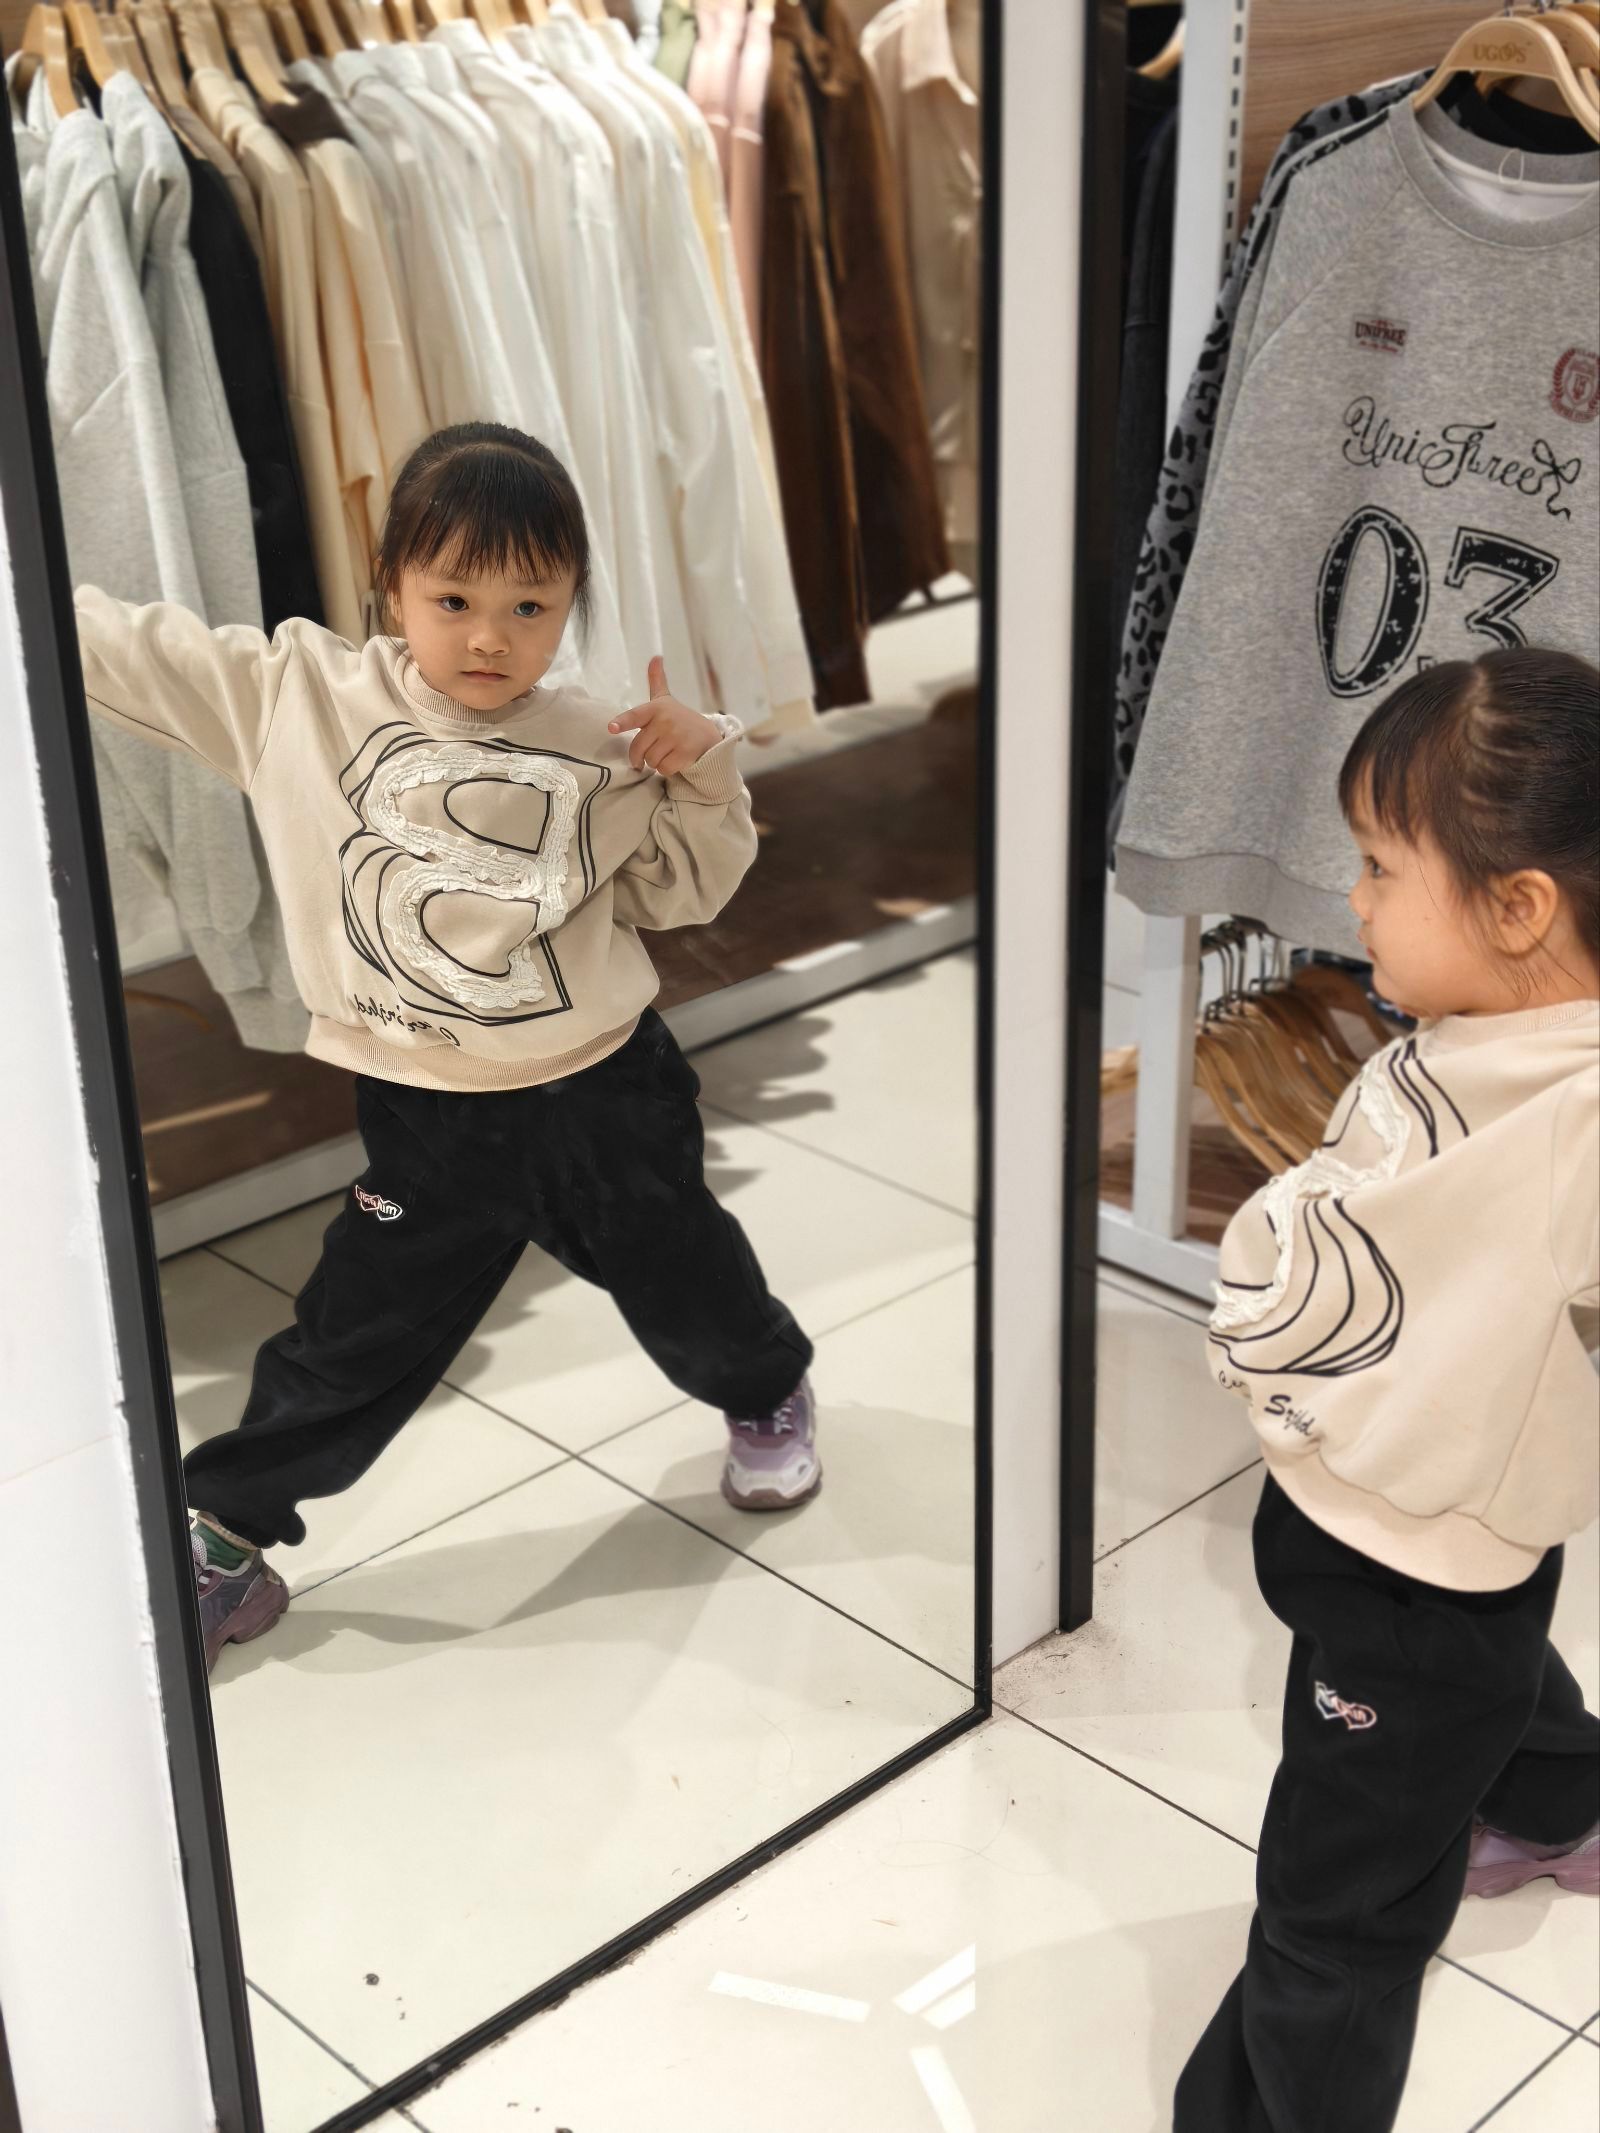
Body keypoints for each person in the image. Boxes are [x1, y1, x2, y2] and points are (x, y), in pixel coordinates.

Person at [75, 423, 821, 1675]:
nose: (490, 638)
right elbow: (127, 650)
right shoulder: (297, 695)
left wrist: (703, 773)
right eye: (454, 600)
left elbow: (685, 893)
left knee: (683, 1275)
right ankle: (228, 1534)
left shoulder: (605, 739)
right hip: (426, 1113)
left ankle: (764, 1389)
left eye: (530, 605)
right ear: (391, 590)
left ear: (572, 600)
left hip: (604, 1092)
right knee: (352, 1330)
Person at [1176, 648, 1600, 2133]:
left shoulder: (1575, 1118)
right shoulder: (1482, 1042)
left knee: (1334, 1916)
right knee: (1489, 1664)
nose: (1350, 899)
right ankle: (1558, 1804)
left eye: (1377, 865)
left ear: (1518, 907)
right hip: (1417, 1526)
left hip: (1409, 1568)